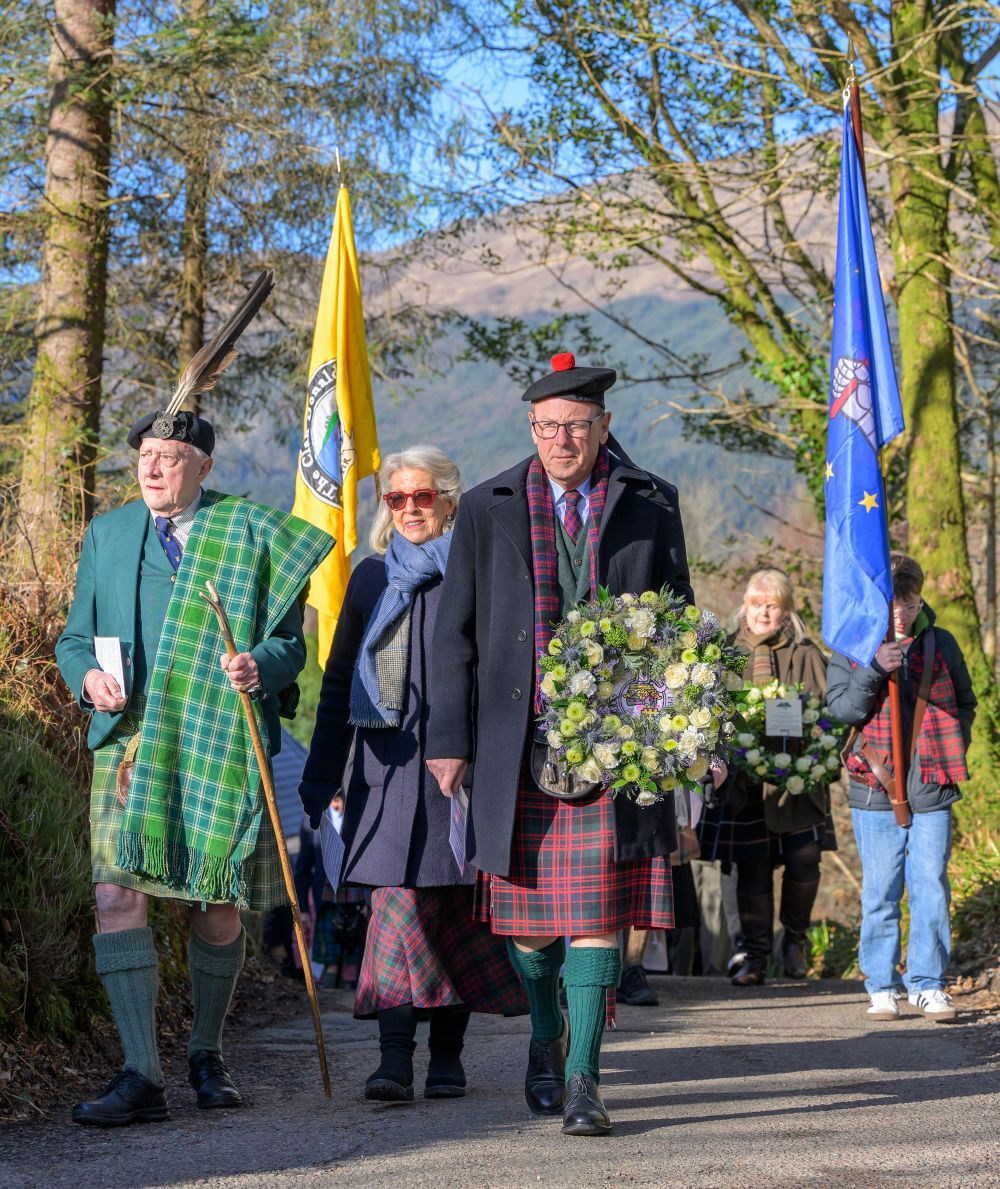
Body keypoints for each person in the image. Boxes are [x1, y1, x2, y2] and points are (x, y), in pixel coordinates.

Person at [425, 352, 714, 1137]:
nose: (562, 440)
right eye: (549, 426)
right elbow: (453, 635)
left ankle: (584, 1077)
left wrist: (687, 728)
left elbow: (679, 623)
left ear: (603, 426)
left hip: (618, 744)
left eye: (577, 426)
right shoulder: (486, 506)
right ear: (532, 427)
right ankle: (545, 1031)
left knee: (597, 912)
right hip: (513, 743)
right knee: (529, 930)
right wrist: (448, 737)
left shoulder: (652, 502)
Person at [56, 405, 331, 1126]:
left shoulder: (248, 532)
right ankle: (141, 1071)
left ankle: (207, 1054)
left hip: (220, 735)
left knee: (216, 899)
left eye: (170, 457)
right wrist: (88, 678)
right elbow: (74, 639)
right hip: (131, 737)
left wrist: (259, 665)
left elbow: (290, 645)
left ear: (203, 467)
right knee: (115, 894)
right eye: (145, 454)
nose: (152, 467)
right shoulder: (110, 533)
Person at [299, 444, 527, 1104]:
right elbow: (339, 680)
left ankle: (447, 1058)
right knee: (395, 912)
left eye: (422, 496)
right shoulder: (371, 577)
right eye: (396, 498)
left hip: (461, 776)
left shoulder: (478, 571)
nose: (408, 509)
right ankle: (394, 1059)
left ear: (449, 501)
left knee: (453, 915)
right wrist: (321, 774)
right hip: (386, 776)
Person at [827, 553, 975, 1022]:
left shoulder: (941, 643)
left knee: (931, 885)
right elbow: (843, 710)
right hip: (875, 785)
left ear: (919, 599)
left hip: (932, 782)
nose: (901, 614)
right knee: (881, 890)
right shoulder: (853, 644)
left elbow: (966, 702)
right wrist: (874, 668)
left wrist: (953, 745)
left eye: (909, 605)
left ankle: (927, 983)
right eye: (893, 605)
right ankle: (882, 985)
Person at [698, 568, 831, 986]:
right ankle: (754, 958)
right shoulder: (725, 651)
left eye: (772, 605)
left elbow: (827, 714)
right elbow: (708, 712)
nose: (764, 612)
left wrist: (813, 754)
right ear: (745, 605)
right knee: (751, 868)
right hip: (743, 783)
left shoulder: (806, 652)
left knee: (805, 860)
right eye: (757, 604)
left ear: (786, 609)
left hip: (796, 780)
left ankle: (794, 941)